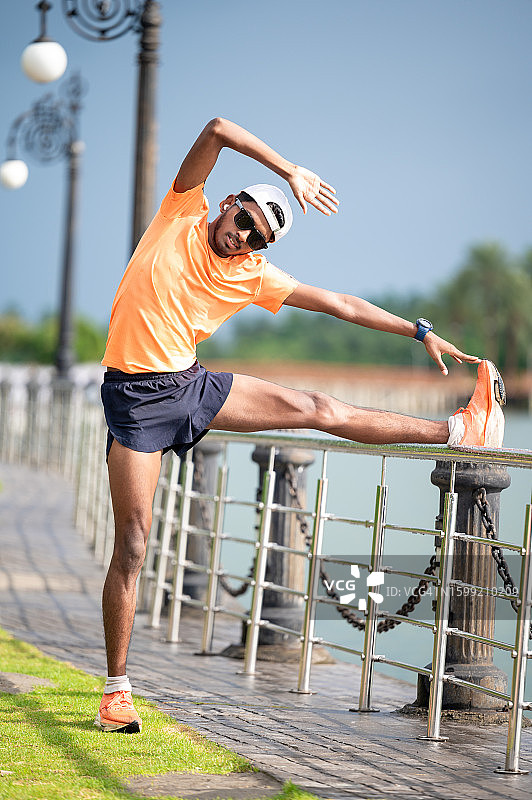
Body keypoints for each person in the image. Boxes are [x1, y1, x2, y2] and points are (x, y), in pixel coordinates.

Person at [96, 117, 505, 733]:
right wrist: (289, 171)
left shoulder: (253, 274)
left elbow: (339, 304)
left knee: (320, 409)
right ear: (228, 203)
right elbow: (218, 129)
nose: (243, 239)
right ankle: (116, 690)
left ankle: (457, 431)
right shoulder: (180, 211)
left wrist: (417, 330)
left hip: (188, 383)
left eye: (256, 239)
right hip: (133, 397)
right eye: (243, 222)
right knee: (133, 542)